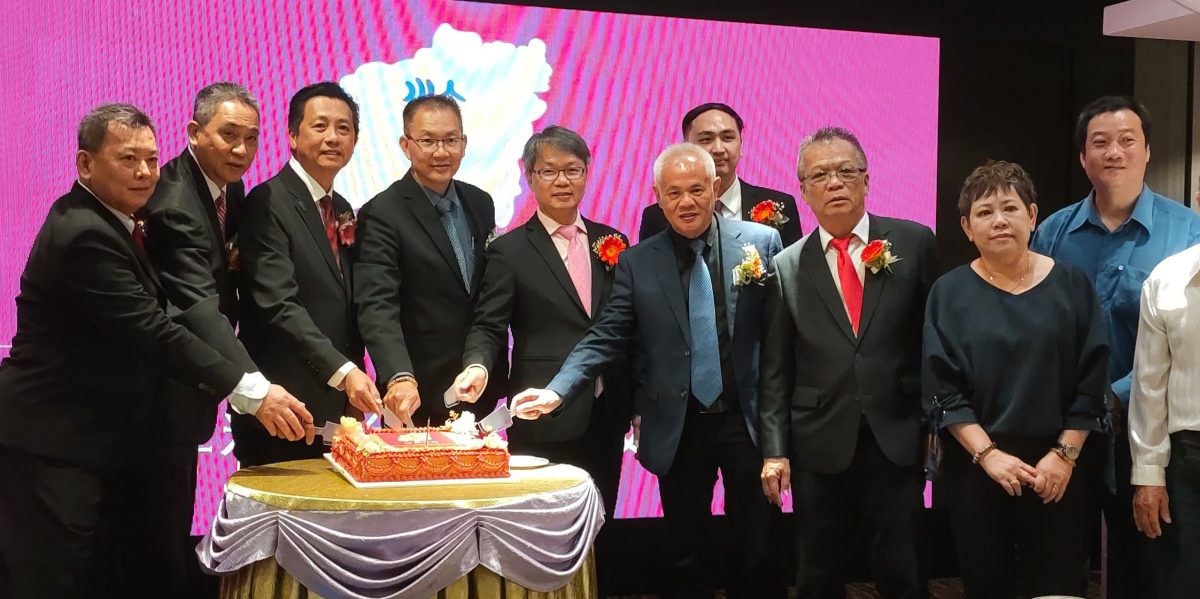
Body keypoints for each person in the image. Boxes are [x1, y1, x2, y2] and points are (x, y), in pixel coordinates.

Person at [0, 104, 309, 599]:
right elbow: (156, 330)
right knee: (53, 577)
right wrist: (249, 389)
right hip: (53, 438)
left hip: (98, 437)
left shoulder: (120, 219)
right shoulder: (84, 233)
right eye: (128, 159)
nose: (145, 172)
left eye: (150, 158)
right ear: (85, 164)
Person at [512, 143, 785, 599]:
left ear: (715, 187)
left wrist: (779, 440)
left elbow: (777, 345)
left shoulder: (760, 243)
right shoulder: (638, 261)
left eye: (696, 189)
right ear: (657, 196)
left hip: (745, 422)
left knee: (757, 545)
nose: (686, 202)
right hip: (679, 426)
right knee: (683, 548)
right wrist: (558, 390)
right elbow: (606, 334)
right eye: (673, 192)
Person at [141, 82, 311, 597]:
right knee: (156, 536)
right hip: (157, 394)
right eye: (228, 135)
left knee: (170, 524)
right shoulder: (174, 201)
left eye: (251, 138)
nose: (241, 149)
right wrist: (254, 386)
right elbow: (198, 306)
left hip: (190, 388)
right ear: (194, 132)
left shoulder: (226, 188)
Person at [1030, 96, 1200, 598]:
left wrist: (1115, 395)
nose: (1114, 152)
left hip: (1151, 434)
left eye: (1128, 140)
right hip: (1064, 429)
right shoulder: (1052, 233)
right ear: (1083, 157)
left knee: (1148, 565)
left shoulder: (1187, 231)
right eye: (1100, 142)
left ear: (1147, 151)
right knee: (1056, 564)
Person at [453, 126, 633, 594]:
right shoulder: (509, 250)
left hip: (607, 406)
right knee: (545, 528)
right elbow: (489, 326)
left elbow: (627, 327)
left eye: (572, 170)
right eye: (549, 171)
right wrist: (477, 365)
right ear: (530, 177)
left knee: (602, 519)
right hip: (541, 411)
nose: (562, 181)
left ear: (587, 173)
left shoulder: (612, 240)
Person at [759, 127, 935, 598]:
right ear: (803, 190)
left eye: (845, 171)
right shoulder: (787, 265)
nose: (834, 182)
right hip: (817, 437)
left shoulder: (914, 242)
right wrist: (775, 450)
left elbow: (933, 342)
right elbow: (775, 369)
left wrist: (932, 424)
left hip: (896, 431)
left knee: (901, 567)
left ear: (866, 179)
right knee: (818, 572)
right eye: (820, 175)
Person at [924, 160, 1109, 598]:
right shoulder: (948, 292)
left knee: (1058, 586)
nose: (999, 221)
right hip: (978, 467)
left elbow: (1092, 379)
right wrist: (988, 455)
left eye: (1010, 208)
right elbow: (942, 389)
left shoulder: (1072, 286)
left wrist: (1064, 455)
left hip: (1059, 467)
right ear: (967, 228)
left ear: (1032, 215)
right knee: (987, 583)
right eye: (984, 212)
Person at [234, 82, 380, 467]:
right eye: (320, 126)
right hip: (282, 411)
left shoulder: (342, 207)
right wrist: (344, 372)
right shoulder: (267, 202)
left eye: (344, 128)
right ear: (293, 136)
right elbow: (279, 305)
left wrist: (354, 384)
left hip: (337, 415)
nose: (333, 137)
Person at [355, 95, 504, 425]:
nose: (441, 152)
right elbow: (377, 304)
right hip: (414, 393)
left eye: (450, 140)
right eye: (428, 141)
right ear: (405, 145)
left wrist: (481, 360)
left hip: (478, 383)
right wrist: (398, 375)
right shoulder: (381, 213)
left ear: (464, 144)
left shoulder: (480, 203)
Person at [1128, 243, 1200, 596]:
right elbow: (1149, 385)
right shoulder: (1166, 278)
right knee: (1183, 583)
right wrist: (1148, 477)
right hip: (1190, 458)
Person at [639, 102, 802, 246]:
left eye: (728, 138)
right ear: (687, 147)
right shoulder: (657, 216)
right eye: (706, 139)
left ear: (741, 145)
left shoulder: (780, 205)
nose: (718, 149)